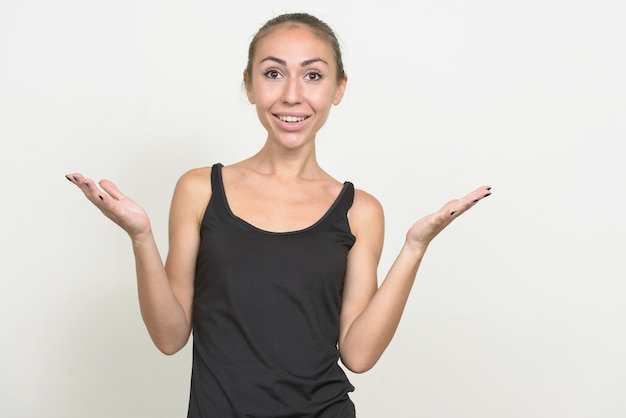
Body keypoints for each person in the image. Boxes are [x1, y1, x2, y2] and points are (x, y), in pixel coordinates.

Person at [66, 12, 491, 418]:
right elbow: (169, 336)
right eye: (272, 73)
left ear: (339, 88)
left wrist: (415, 248)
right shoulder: (199, 190)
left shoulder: (361, 210)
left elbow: (359, 356)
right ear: (249, 86)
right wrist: (141, 238)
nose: (292, 94)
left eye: (313, 75)